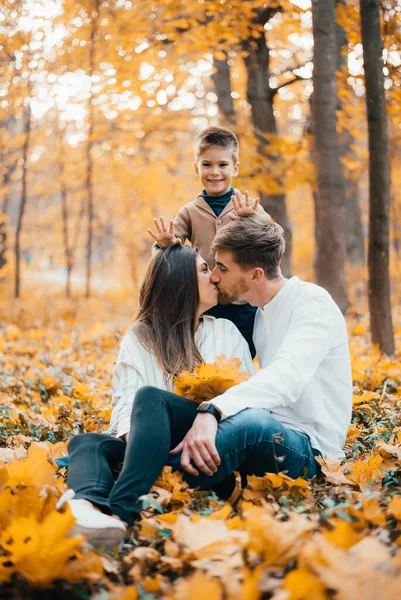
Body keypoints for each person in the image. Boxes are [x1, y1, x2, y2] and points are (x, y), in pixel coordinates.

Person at [57, 244, 255, 546]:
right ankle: (87, 509)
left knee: (152, 399)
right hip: (150, 448)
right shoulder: (140, 338)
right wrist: (144, 444)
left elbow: (249, 400)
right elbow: (124, 409)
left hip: (209, 445)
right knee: (87, 442)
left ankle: (122, 512)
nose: (214, 277)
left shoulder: (225, 332)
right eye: (204, 269)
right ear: (181, 284)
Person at [147, 126, 265, 357]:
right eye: (207, 165)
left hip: (244, 300)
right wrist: (164, 244)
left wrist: (252, 221)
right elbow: (168, 258)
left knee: (242, 355)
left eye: (223, 165)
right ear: (196, 167)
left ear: (235, 167)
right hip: (206, 302)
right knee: (207, 355)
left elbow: (273, 239)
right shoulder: (190, 212)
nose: (215, 172)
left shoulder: (248, 206)